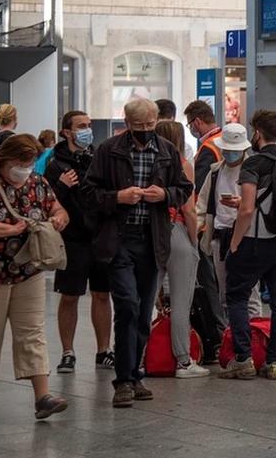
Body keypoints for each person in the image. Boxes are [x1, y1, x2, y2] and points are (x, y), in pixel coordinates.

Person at [84, 97, 188, 407]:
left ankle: (134, 373)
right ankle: (124, 380)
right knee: (127, 305)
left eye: (150, 125)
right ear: (127, 124)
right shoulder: (109, 150)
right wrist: (118, 196)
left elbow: (184, 189)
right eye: (138, 126)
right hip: (119, 241)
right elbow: (88, 194)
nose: (145, 131)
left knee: (144, 313)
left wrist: (165, 194)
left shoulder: (167, 151)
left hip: (152, 240)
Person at [0, 134, 70, 421]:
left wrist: (59, 217)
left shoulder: (38, 182)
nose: (24, 167)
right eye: (20, 162)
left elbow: (57, 208)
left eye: (30, 162)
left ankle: (42, 396)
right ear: (5, 160)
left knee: (32, 332)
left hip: (27, 272)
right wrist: (7, 230)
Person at [221, 109, 276, 380]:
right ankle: (274, 361)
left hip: (256, 242)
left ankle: (243, 359)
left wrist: (234, 243)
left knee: (236, 296)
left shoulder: (253, 164)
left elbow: (246, 210)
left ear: (256, 134)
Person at [45, 110, 114, 374]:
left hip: (100, 237)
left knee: (102, 294)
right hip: (73, 241)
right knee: (70, 296)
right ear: (66, 132)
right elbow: (47, 203)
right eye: (81, 126)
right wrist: (61, 186)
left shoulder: (98, 159)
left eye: (88, 125)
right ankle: (67, 351)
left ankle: (103, 349)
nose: (87, 130)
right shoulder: (55, 165)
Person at [155, 120, 208, 379]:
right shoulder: (182, 165)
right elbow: (188, 209)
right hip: (176, 230)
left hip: (150, 233)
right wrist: (193, 240)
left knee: (144, 300)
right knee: (180, 300)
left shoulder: (146, 164)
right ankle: (184, 361)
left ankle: (136, 358)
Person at [196, 123, 259, 316]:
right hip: (219, 238)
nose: (230, 153)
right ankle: (231, 337)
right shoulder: (215, 171)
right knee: (224, 293)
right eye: (227, 149)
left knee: (250, 294)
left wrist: (243, 203)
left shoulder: (254, 170)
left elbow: (259, 205)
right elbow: (202, 205)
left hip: (247, 237)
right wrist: (194, 232)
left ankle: (253, 336)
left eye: (235, 150)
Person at [183, 98, 230, 330]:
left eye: (190, 124)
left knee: (209, 282)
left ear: (197, 122)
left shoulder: (208, 149)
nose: (190, 129)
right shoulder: (227, 142)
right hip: (229, 219)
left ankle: (218, 329)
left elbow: (199, 191)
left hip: (208, 224)